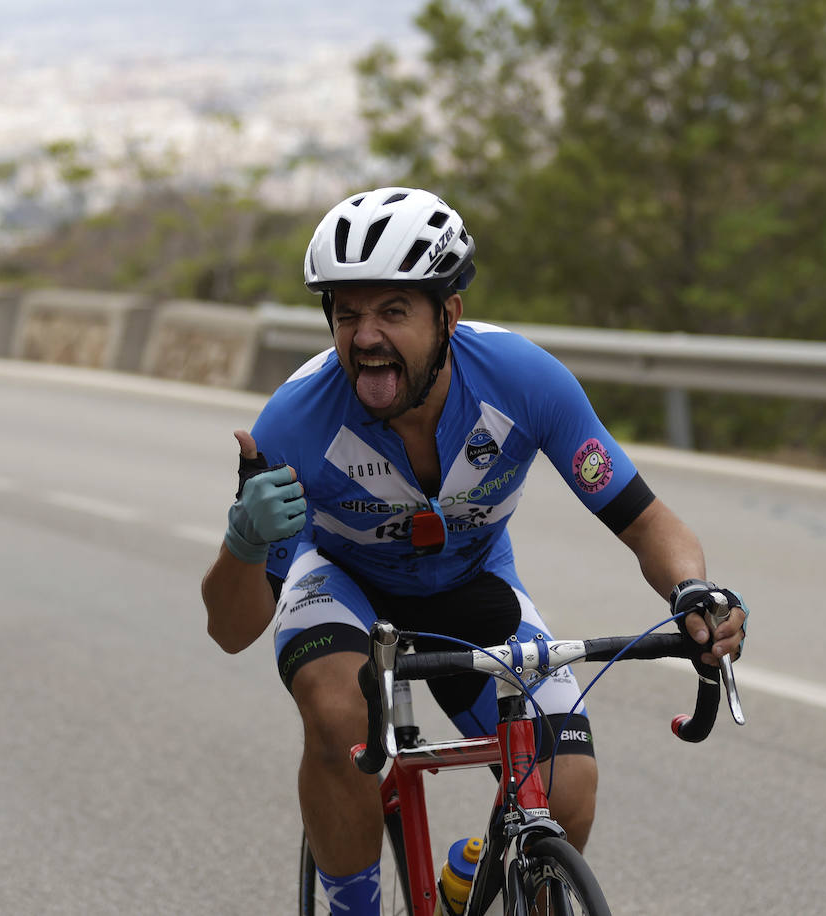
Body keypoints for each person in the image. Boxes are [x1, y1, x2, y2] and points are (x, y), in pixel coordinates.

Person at [199, 188, 748, 915]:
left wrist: (693, 592)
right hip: (343, 583)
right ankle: (352, 905)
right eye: (348, 312)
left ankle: (476, 872)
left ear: (447, 315)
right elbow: (231, 630)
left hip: (469, 584)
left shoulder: (523, 381)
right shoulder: (297, 421)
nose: (365, 336)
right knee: (336, 712)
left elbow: (647, 521)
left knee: (567, 789)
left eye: (393, 311)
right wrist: (245, 541)